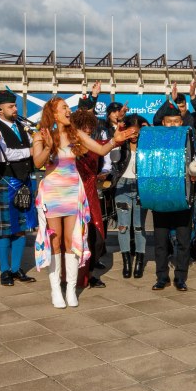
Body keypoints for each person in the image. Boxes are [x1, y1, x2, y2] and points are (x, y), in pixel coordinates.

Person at [32, 98, 134, 308]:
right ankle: (55, 290)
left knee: (72, 240)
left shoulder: (75, 134)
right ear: (53, 113)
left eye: (67, 107)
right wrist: (48, 146)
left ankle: (71, 288)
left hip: (72, 192)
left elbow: (101, 150)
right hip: (52, 192)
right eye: (64, 108)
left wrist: (115, 140)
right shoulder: (41, 134)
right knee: (55, 241)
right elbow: (38, 162)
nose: (68, 110)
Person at [149, 102, 196, 291]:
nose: (173, 125)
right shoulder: (155, 142)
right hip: (161, 198)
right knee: (160, 242)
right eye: (169, 121)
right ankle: (162, 277)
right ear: (163, 123)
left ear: (181, 122)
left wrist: (195, 175)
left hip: (183, 198)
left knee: (183, 241)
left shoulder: (189, 139)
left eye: (176, 121)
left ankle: (180, 277)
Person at [0, 90, 38, 287]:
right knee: (4, 230)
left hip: (23, 181)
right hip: (5, 183)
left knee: (21, 228)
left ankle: (16, 269)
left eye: (15, 106)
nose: (15, 109)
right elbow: (3, 155)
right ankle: (5, 270)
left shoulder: (21, 127)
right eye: (11, 106)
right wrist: (32, 151)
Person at [73, 108, 111, 288]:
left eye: (90, 126)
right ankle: (73, 276)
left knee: (98, 238)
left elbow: (108, 146)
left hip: (91, 193)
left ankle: (90, 273)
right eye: (83, 126)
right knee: (76, 238)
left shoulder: (96, 144)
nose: (88, 129)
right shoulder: (69, 145)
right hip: (73, 194)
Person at [110, 114, 148, 279]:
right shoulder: (121, 145)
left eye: (137, 133)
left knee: (139, 227)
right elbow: (113, 158)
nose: (134, 136)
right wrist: (118, 138)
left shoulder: (147, 146)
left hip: (141, 187)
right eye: (131, 133)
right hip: (122, 186)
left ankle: (139, 261)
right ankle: (126, 262)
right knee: (123, 226)